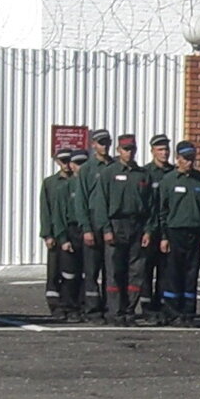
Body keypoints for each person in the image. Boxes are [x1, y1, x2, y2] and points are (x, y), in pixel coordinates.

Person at [94, 133, 152, 326]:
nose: (129, 153)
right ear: (118, 150)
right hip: (116, 225)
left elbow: (151, 205)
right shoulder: (108, 173)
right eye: (126, 149)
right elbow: (101, 203)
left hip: (137, 225)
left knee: (136, 271)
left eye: (132, 149)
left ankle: (129, 311)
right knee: (115, 271)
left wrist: (148, 231)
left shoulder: (143, 175)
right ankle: (115, 312)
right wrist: (106, 229)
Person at [156, 141, 200, 326]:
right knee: (173, 274)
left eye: (191, 159)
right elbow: (161, 211)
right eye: (185, 159)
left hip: (194, 233)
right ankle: (172, 312)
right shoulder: (169, 181)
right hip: (174, 232)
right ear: (177, 158)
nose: (189, 162)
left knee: (191, 274)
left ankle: (188, 312)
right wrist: (163, 236)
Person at [75, 129, 113, 323]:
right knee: (91, 271)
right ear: (93, 145)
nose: (104, 146)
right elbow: (80, 200)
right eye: (100, 143)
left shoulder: (115, 167)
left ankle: (109, 308)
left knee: (111, 271)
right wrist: (86, 228)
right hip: (93, 224)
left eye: (107, 142)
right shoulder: (88, 169)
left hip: (111, 227)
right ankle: (92, 310)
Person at [139, 133, 173, 321]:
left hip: (167, 230)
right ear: (152, 151)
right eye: (160, 149)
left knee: (165, 270)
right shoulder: (145, 173)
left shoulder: (173, 173)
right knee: (146, 270)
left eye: (166, 149)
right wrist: (147, 230)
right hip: (150, 230)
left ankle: (162, 305)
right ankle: (147, 307)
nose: (164, 153)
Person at [55, 150, 90, 321]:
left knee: (86, 273)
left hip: (88, 231)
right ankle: (68, 307)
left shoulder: (93, 186)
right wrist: (63, 238)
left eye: (84, 163)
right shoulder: (65, 187)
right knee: (69, 274)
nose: (80, 167)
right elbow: (59, 215)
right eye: (78, 164)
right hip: (71, 231)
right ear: (72, 165)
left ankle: (84, 306)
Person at [40, 149, 73, 317]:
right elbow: (45, 210)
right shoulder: (50, 183)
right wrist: (47, 234)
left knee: (71, 272)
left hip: (73, 232)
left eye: (68, 160)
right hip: (55, 232)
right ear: (56, 161)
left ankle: (70, 304)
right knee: (54, 271)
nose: (66, 164)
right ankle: (55, 305)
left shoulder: (77, 181)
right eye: (62, 161)